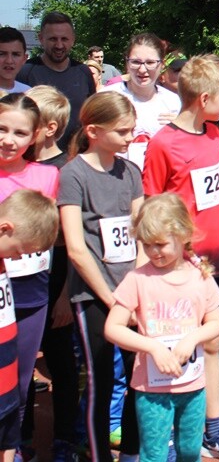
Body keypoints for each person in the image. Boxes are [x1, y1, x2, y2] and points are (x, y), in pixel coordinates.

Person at [141, 56, 219, 462]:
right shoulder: (162, 143)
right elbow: (153, 207)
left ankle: (213, 428)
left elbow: (217, 195)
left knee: (212, 342)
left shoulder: (213, 132)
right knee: (176, 346)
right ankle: (172, 434)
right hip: (183, 263)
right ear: (203, 99)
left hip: (217, 258)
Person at [104, 194, 219, 462]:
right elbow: (112, 327)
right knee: (155, 453)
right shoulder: (137, 279)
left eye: (160, 244)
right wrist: (152, 347)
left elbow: (216, 323)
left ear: (183, 235)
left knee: (190, 451)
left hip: (192, 385)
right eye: (146, 245)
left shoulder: (200, 277)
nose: (153, 252)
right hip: (151, 390)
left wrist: (192, 338)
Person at [58, 92, 144, 462]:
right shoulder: (73, 175)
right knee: (101, 379)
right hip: (94, 296)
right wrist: (114, 300)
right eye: (122, 131)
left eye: (132, 130)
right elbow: (76, 248)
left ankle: (132, 453)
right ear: (93, 131)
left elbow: (142, 233)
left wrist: (138, 288)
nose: (130, 138)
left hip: (133, 291)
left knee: (140, 376)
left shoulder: (131, 172)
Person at [0, 94, 60, 461]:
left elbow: (53, 237)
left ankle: (15, 446)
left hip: (30, 293)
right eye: (2, 129)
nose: (9, 140)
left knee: (19, 383)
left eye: (20, 133)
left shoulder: (47, 176)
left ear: (36, 135)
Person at [22, 87, 79, 461]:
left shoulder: (66, 171)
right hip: (20, 282)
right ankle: (21, 435)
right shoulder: (16, 165)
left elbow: (74, 243)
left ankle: (66, 437)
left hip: (57, 280)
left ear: (48, 127)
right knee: (21, 363)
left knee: (61, 363)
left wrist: (65, 296)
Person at [102, 33, 181, 171]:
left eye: (150, 63)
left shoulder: (174, 101)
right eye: (136, 62)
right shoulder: (107, 97)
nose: (142, 69)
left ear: (161, 64)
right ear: (127, 63)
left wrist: (182, 129)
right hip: (115, 177)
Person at [18, 12, 96, 149]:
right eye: (53, 39)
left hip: (77, 155)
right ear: (41, 39)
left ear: (73, 40)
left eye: (64, 39)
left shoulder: (83, 72)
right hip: (37, 156)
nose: (59, 45)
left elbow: (93, 115)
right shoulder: (25, 72)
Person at [0, 28, 29, 96]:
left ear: (24, 59)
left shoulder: (29, 94)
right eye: (2, 54)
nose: (9, 61)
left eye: (15, 54)